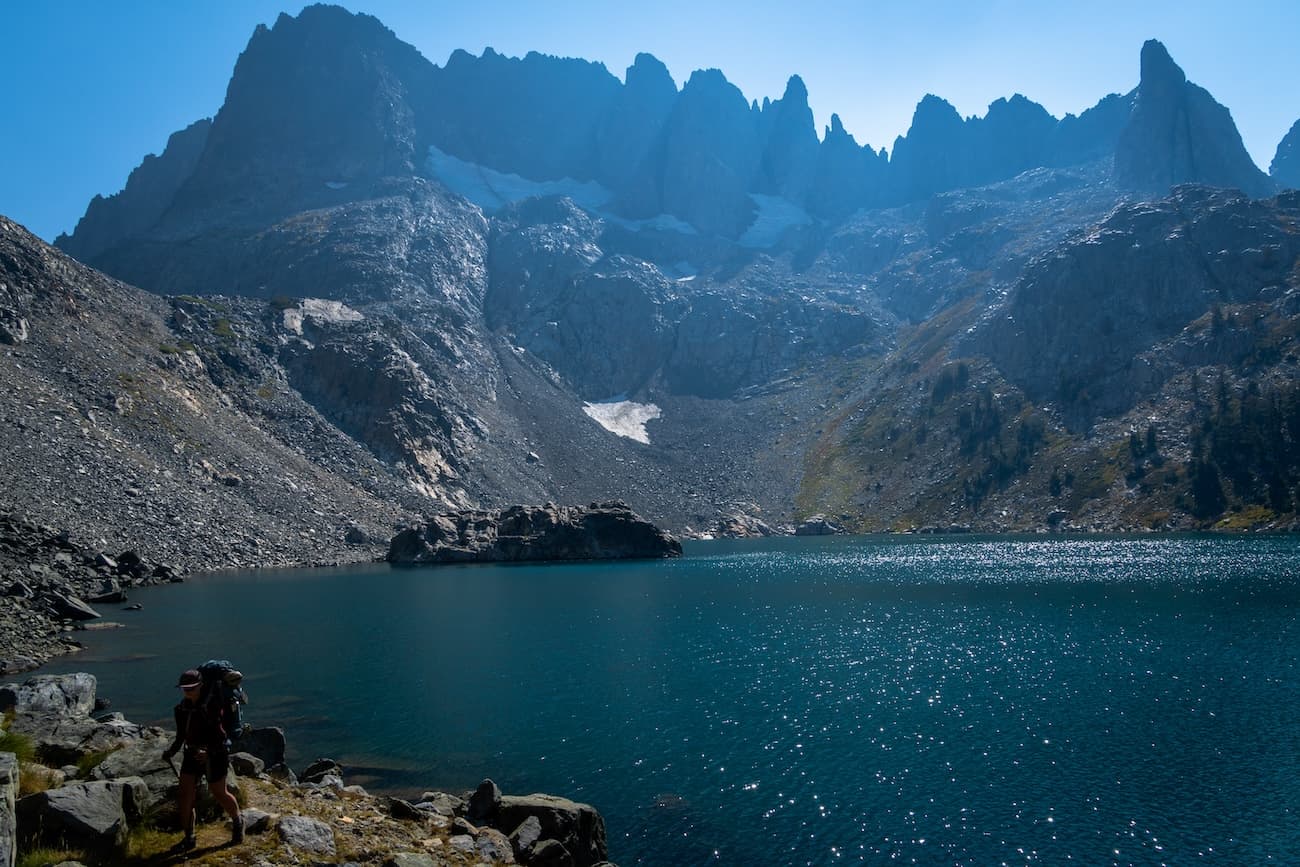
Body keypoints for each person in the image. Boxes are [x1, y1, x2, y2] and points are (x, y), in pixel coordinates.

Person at [162, 669, 243, 849]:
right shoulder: (181, 709)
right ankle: (189, 837)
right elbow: (181, 735)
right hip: (192, 753)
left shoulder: (212, 707)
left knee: (219, 792)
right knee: (185, 796)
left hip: (215, 755)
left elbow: (221, 736)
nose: (188, 691)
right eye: (185, 688)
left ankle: (238, 822)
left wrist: (209, 752)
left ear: (201, 686)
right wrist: (171, 751)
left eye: (191, 688)